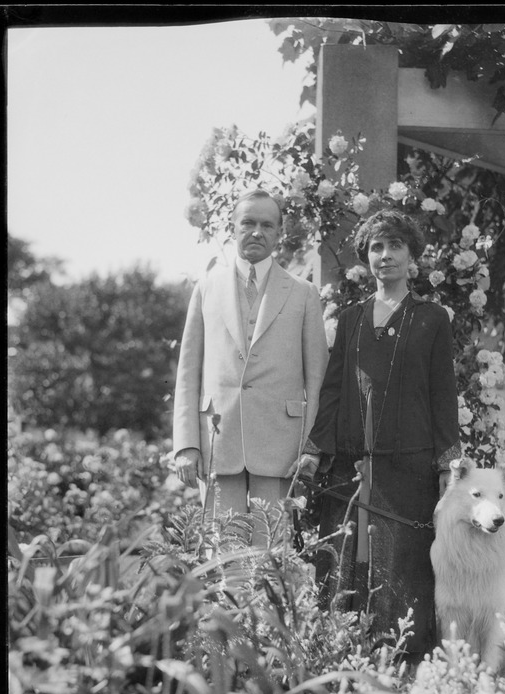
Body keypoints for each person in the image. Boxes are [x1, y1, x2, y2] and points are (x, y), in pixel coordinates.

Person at [293, 209, 461, 662]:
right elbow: (331, 392)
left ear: (412, 257)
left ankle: (405, 666)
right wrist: (313, 452)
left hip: (408, 469)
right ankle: (346, 662)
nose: (385, 256)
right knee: (345, 561)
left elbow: (445, 395)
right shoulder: (349, 320)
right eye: (376, 248)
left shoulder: (432, 319)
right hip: (351, 465)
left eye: (394, 246)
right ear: (366, 259)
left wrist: (448, 464)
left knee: (403, 566)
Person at [173, 188, 329, 530]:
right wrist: (186, 444)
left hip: (282, 447)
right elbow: (188, 374)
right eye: (248, 223)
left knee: (271, 558)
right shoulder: (206, 288)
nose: (257, 231)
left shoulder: (303, 294)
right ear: (233, 227)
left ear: (278, 233)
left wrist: (312, 446)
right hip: (218, 440)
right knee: (223, 551)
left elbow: (318, 380)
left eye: (267, 224)